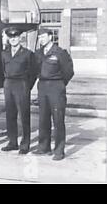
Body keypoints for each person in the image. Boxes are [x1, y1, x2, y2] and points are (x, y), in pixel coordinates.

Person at [33, 28, 74, 161]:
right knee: (43, 118)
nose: (41, 39)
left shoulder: (60, 53)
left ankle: (59, 150)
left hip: (56, 87)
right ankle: (44, 146)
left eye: (43, 36)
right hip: (43, 87)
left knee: (58, 119)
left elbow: (68, 72)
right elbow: (35, 70)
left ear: (50, 37)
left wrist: (60, 85)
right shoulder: (38, 53)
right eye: (39, 37)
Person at [0, 27, 36, 154]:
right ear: (8, 39)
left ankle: (25, 144)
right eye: (11, 37)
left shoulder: (27, 54)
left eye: (15, 37)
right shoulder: (4, 53)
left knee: (24, 115)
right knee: (10, 115)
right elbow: (2, 69)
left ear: (20, 38)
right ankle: (12, 142)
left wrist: (27, 86)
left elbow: (33, 72)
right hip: (9, 84)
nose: (13, 39)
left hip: (22, 84)